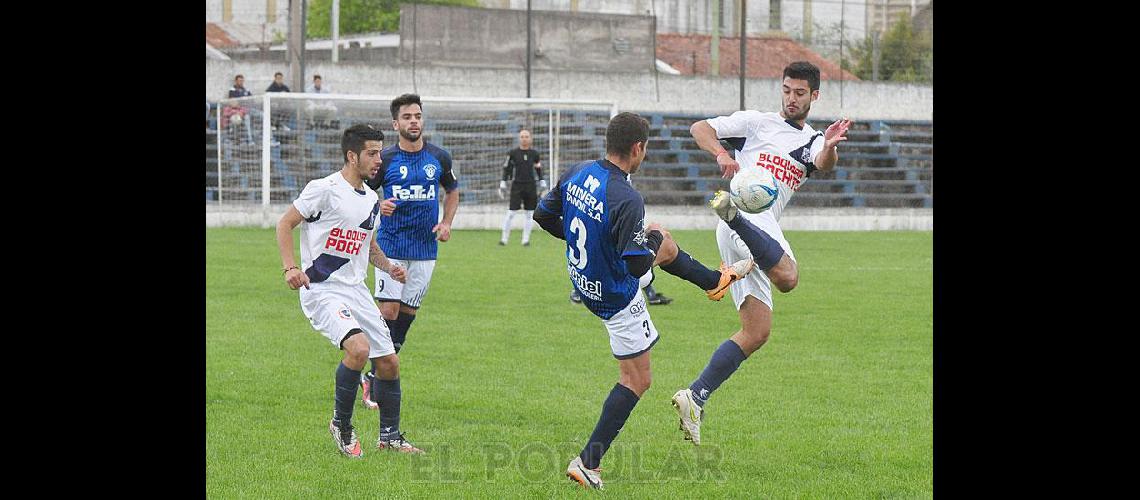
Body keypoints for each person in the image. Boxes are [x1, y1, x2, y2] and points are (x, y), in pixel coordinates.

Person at [532, 112, 752, 489]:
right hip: (615, 294)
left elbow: (543, 215)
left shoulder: (579, 171)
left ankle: (716, 282)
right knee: (637, 379)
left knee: (663, 245)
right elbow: (635, 267)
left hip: (584, 279)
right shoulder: (627, 197)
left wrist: (610, 241)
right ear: (638, 148)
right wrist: (650, 235)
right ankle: (588, 463)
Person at [670, 61, 852, 446]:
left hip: (748, 228)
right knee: (788, 277)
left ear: (814, 96)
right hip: (748, 218)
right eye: (787, 90)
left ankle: (695, 397)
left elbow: (823, 162)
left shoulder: (815, 140)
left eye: (799, 92)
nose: (791, 98)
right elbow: (700, 128)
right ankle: (733, 217)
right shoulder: (756, 123)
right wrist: (721, 154)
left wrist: (832, 147)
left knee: (757, 332)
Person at [275, 124, 424, 457]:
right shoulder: (323, 189)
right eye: (371, 153)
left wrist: (389, 268)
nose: (378, 160)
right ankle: (341, 426)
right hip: (322, 288)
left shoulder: (372, 199)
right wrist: (290, 267)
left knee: (389, 363)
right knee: (358, 350)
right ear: (351, 155)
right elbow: (284, 223)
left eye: (379, 153)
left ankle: (390, 438)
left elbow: (368, 247)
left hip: (356, 291)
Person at [359, 94, 460, 410]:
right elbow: (361, 190)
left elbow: (453, 190)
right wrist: (378, 204)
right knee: (388, 312)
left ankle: (373, 376)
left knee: (405, 317)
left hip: (425, 249)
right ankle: (374, 376)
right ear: (395, 123)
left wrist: (446, 222)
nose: (413, 121)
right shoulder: (384, 160)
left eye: (417, 115)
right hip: (390, 246)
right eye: (407, 117)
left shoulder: (438, 158)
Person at [498, 129, 545, 246]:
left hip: (530, 186)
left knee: (529, 214)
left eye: (526, 136)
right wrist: (503, 181)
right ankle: (504, 239)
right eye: (522, 136)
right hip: (517, 185)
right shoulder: (513, 153)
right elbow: (507, 168)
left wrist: (542, 180)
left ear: (530, 139)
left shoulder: (534, 154)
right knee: (511, 213)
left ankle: (525, 240)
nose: (524, 138)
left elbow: (538, 168)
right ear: (519, 138)